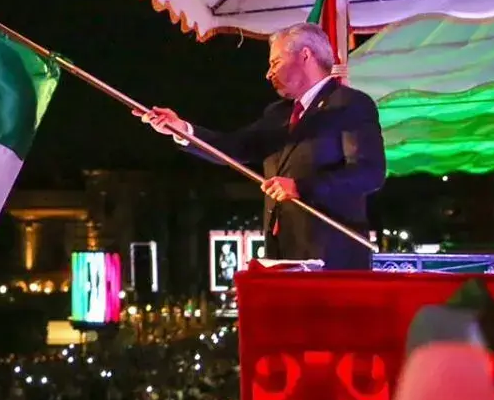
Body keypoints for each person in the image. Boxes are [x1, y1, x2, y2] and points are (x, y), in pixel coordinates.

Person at [140, 23, 384, 270]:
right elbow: (234, 148)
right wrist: (183, 131)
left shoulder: (349, 104)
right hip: (280, 252)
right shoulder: (277, 114)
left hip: (332, 255)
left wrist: (301, 187)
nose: (268, 74)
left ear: (305, 55)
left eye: (275, 62)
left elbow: (369, 173)